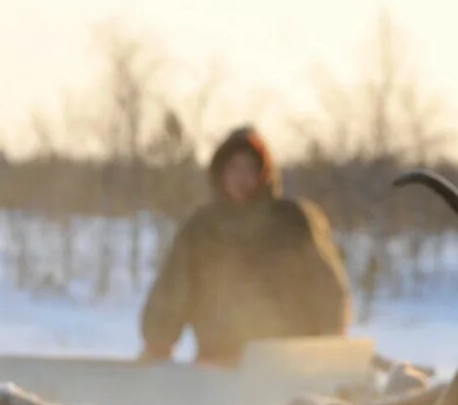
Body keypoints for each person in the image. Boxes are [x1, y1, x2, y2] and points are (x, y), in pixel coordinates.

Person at [139, 126, 353, 367]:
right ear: (220, 173)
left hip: (288, 366)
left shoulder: (293, 221)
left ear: (265, 173)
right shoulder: (201, 229)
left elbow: (327, 287)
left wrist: (331, 344)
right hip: (220, 367)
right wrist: (158, 341)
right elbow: (172, 288)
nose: (242, 178)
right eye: (234, 168)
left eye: (251, 168)